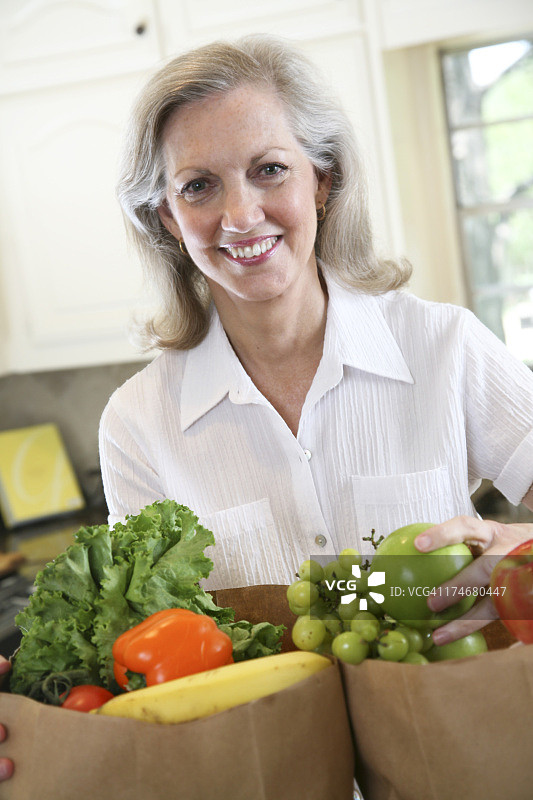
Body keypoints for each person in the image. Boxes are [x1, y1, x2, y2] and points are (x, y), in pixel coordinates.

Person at [1, 34, 532, 782]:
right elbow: (137, 651)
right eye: (198, 186)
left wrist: (512, 552)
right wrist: (31, 696)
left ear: (323, 180)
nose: (240, 214)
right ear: (166, 217)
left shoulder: (443, 346)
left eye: (269, 170)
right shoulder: (137, 424)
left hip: (463, 762)